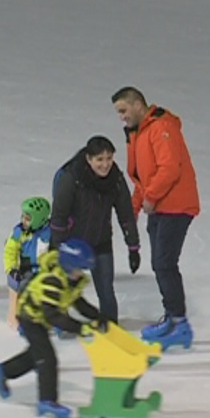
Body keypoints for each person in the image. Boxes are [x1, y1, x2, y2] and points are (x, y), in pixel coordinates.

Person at [111, 86, 199, 349]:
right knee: (161, 264)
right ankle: (173, 318)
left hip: (176, 206)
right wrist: (132, 210)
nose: (122, 117)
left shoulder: (161, 127)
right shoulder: (137, 133)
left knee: (164, 264)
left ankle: (180, 323)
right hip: (161, 207)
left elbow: (170, 168)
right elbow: (141, 178)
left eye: (123, 110)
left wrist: (149, 198)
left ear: (138, 105)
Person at [0, 239, 109, 418]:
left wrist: (98, 316)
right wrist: (80, 328)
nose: (80, 274)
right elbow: (54, 317)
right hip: (31, 318)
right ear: (68, 266)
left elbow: (77, 302)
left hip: (41, 319)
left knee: (37, 355)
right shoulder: (52, 281)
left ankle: (2, 371)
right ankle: (47, 402)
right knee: (47, 359)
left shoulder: (69, 281)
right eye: (78, 269)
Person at [49, 136, 140, 323]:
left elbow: (126, 215)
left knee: (106, 289)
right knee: (64, 288)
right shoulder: (71, 178)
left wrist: (133, 247)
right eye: (100, 159)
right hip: (71, 243)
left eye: (109, 158)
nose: (105, 164)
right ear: (88, 159)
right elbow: (59, 216)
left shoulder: (115, 180)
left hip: (100, 242)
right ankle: (60, 323)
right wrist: (57, 248)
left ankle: (110, 328)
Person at [3, 197, 52, 329]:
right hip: (27, 270)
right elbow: (9, 251)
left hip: (45, 271)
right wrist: (11, 269)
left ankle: (54, 321)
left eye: (28, 218)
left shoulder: (50, 232)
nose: (24, 220)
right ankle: (19, 319)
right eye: (23, 216)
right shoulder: (19, 232)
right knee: (23, 287)